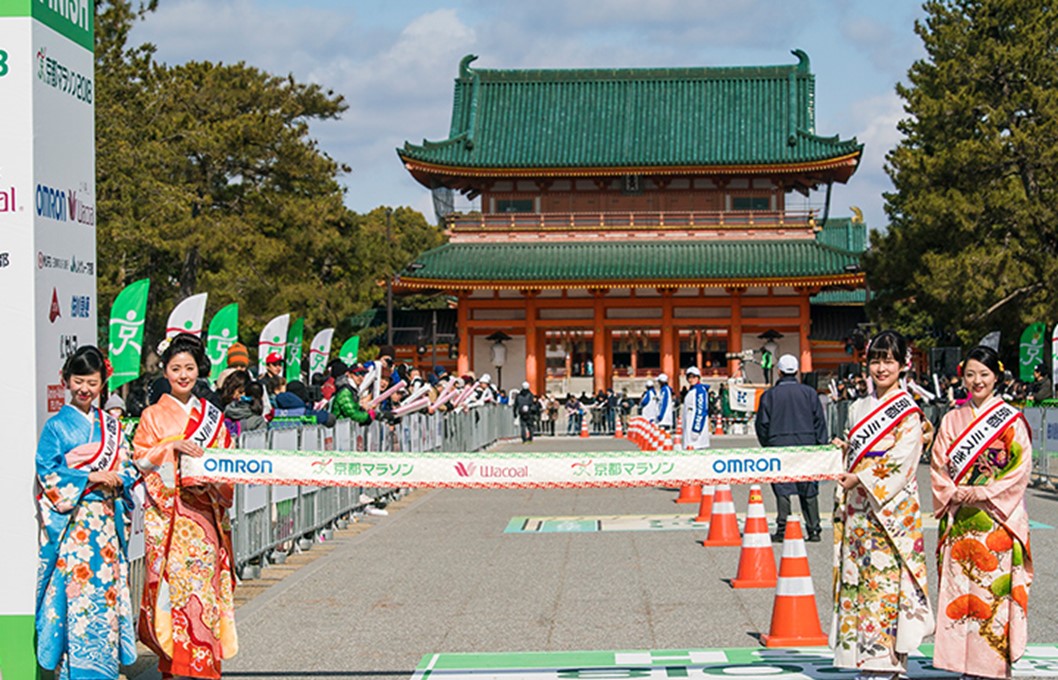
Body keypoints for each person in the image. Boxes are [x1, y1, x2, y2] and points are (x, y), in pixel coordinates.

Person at [132, 333, 237, 679]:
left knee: (202, 593)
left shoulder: (212, 416)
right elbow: (141, 460)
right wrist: (171, 447)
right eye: (175, 368)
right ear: (165, 370)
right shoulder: (152, 415)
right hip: (172, 521)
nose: (182, 375)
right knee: (174, 591)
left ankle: (204, 663)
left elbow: (225, 459)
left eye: (189, 368)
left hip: (204, 516)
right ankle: (175, 665)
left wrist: (214, 482)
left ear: (199, 370)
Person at [830, 331, 933, 678]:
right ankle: (862, 659)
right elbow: (859, 453)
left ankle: (886, 662)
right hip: (860, 513)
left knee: (885, 584)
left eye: (889, 360)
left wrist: (862, 477)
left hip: (889, 514)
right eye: (876, 360)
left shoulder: (907, 410)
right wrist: (843, 451)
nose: (881, 367)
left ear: (903, 364)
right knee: (859, 582)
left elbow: (903, 458)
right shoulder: (859, 407)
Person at [35, 346, 139, 679]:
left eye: (92, 382)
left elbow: (129, 467)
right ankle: (74, 671)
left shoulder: (112, 426)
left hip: (106, 524)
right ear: (66, 380)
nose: (84, 389)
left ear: (102, 383)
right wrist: (90, 476)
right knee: (76, 599)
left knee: (106, 599)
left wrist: (119, 478)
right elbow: (46, 470)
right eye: (78, 380)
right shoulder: (56, 427)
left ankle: (105, 670)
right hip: (76, 527)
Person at [931, 345, 1033, 679]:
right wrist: (955, 491)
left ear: (997, 377)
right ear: (963, 376)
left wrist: (985, 491)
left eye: (984, 375)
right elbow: (939, 464)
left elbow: (1020, 468)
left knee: (992, 592)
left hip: (996, 519)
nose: (977, 381)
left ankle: (990, 666)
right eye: (971, 374)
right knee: (962, 590)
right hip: (962, 516)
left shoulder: (1010, 420)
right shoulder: (952, 419)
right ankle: (962, 665)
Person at [754, 354, 827, 542]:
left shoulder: (769, 395)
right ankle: (814, 529)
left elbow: (762, 424)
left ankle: (782, 529)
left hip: (779, 444)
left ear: (778, 371)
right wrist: (821, 445)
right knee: (808, 485)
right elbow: (819, 421)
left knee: (782, 486)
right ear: (796, 371)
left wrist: (767, 444)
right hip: (807, 444)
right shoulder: (809, 393)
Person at [681, 366, 710, 450]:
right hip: (689, 424)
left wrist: (696, 429)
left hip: (696, 428)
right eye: (689, 377)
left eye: (694, 377)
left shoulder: (700, 390)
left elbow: (701, 410)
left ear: (698, 377)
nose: (691, 379)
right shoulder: (692, 390)